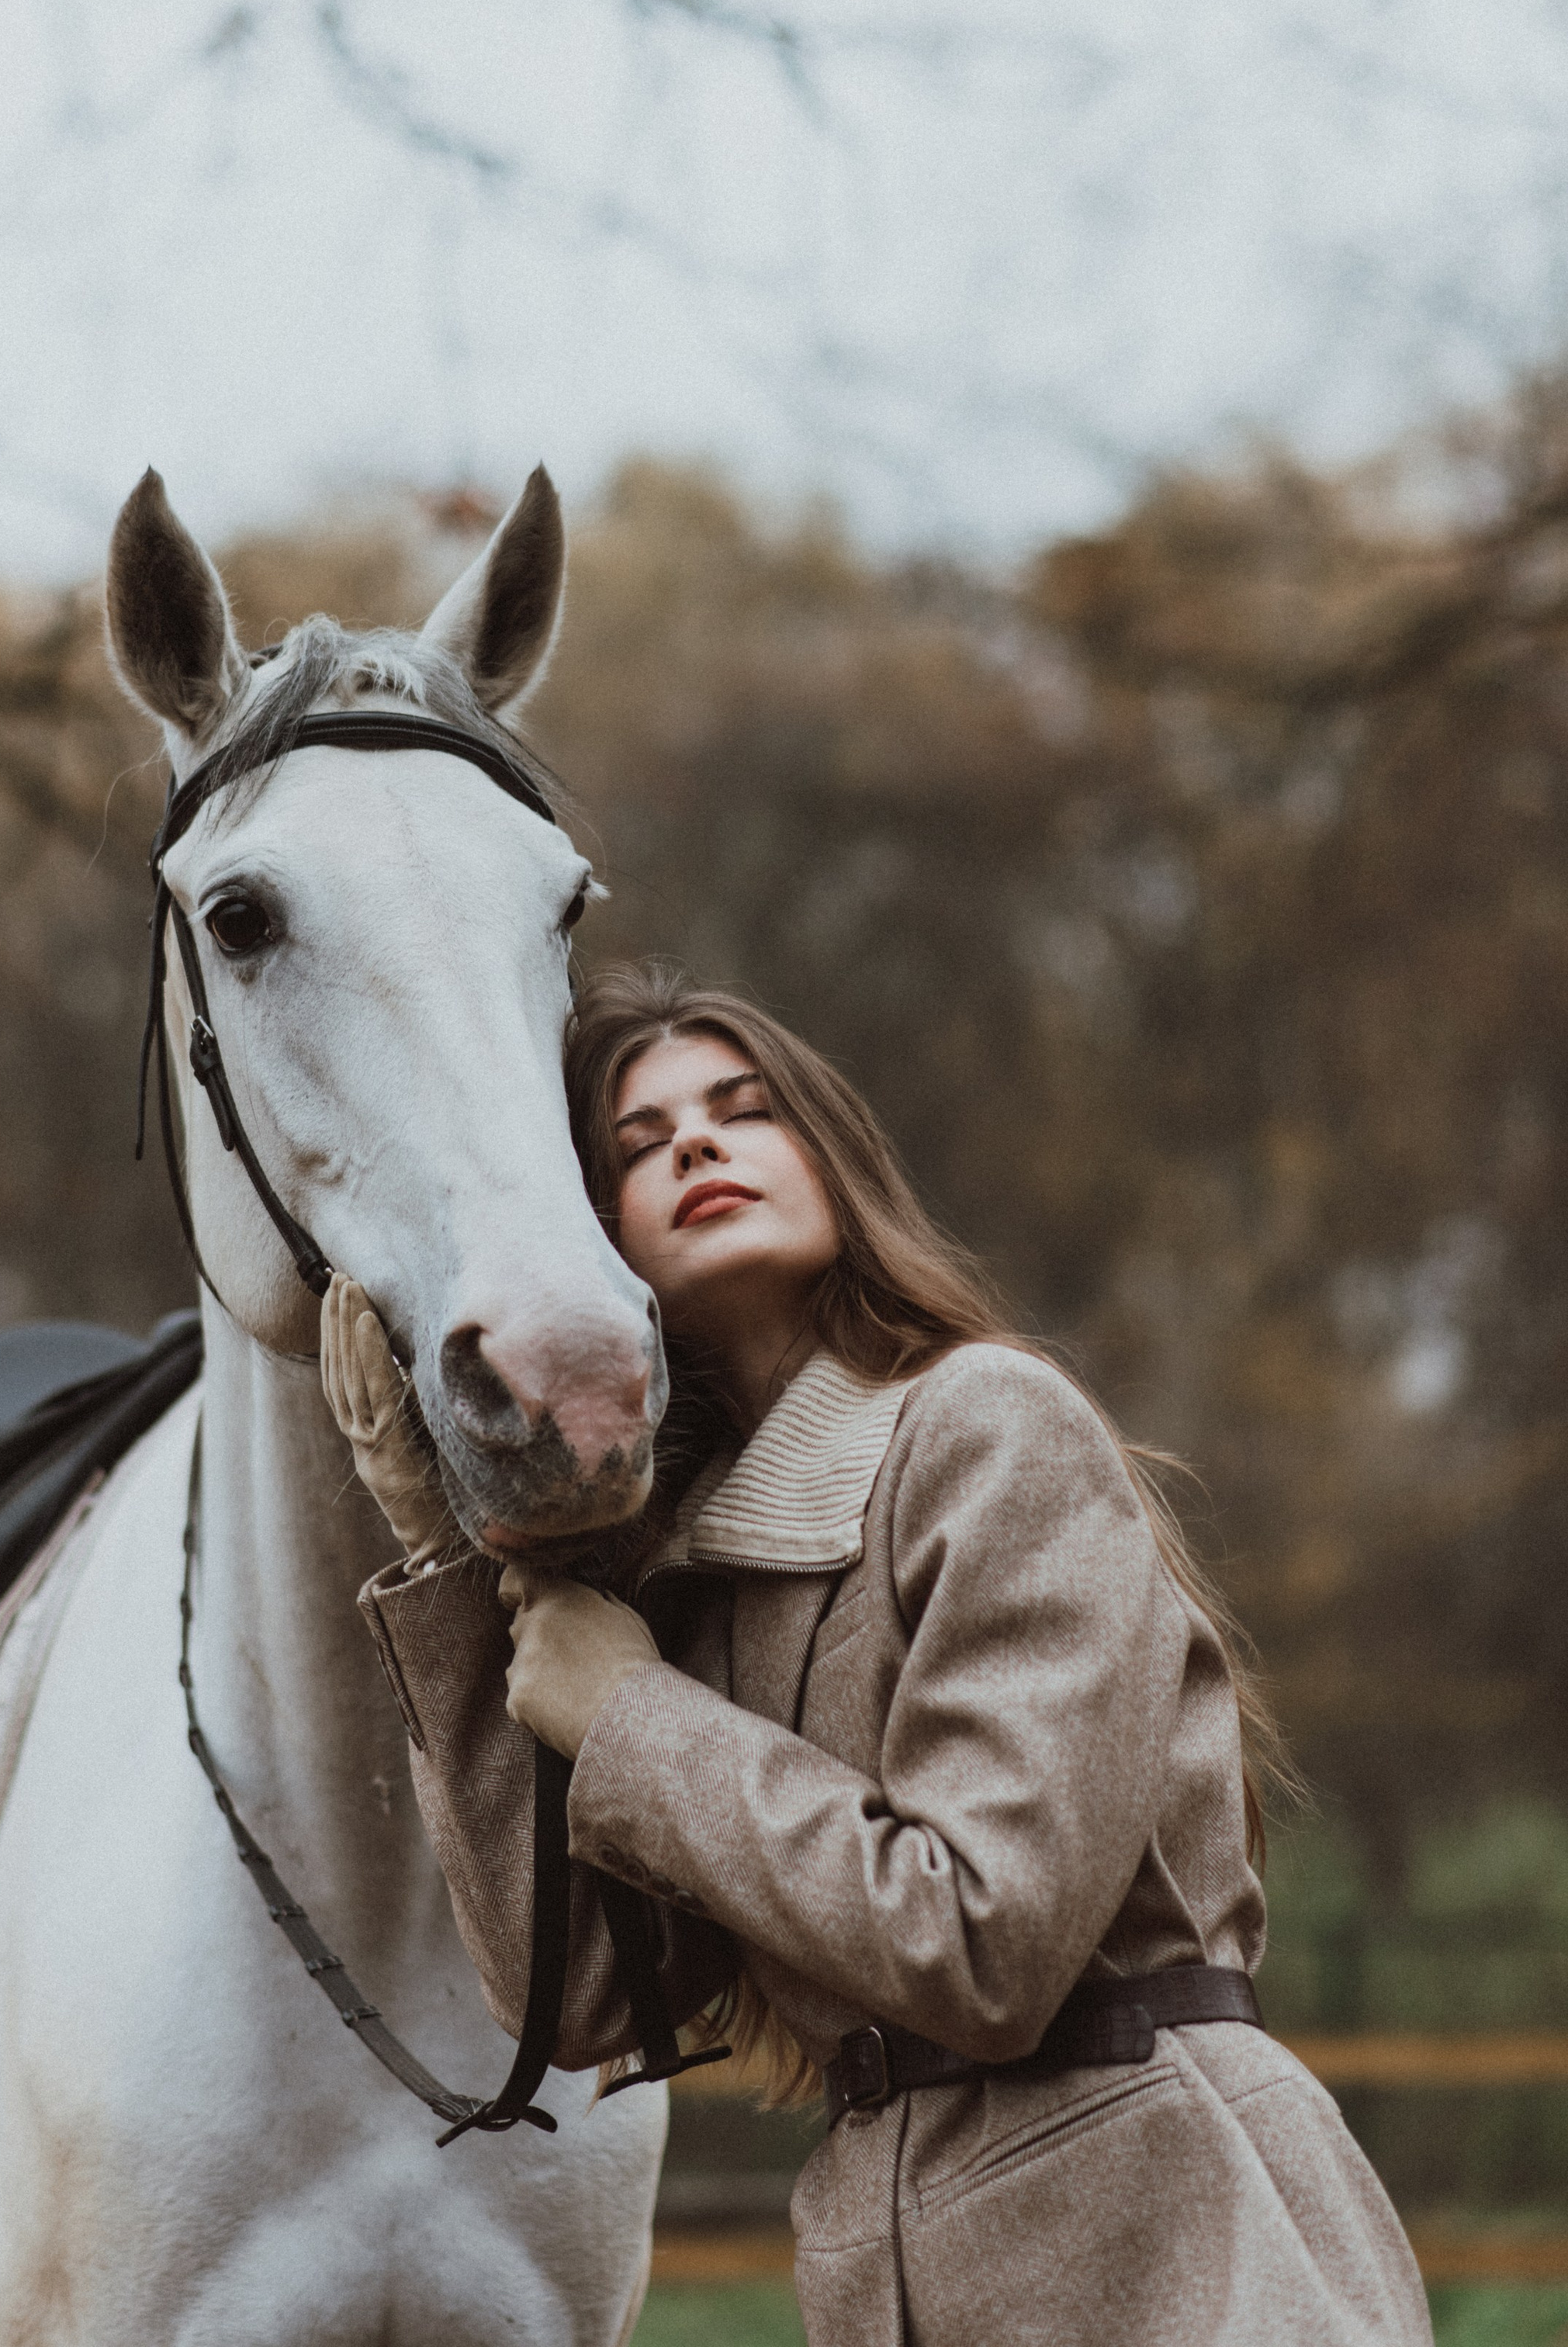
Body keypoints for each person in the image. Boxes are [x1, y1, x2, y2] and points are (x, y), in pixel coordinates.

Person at [325, 964, 1431, 2347]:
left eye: (743, 1110)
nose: (694, 1144)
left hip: (1166, 2238)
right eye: (637, 1142)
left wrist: (630, 1718)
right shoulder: (692, 1577)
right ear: (594, 1231)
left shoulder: (989, 1428)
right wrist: (450, 1554)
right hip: (890, 2257)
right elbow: (591, 1998)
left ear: (836, 1163)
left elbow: (985, 1943)